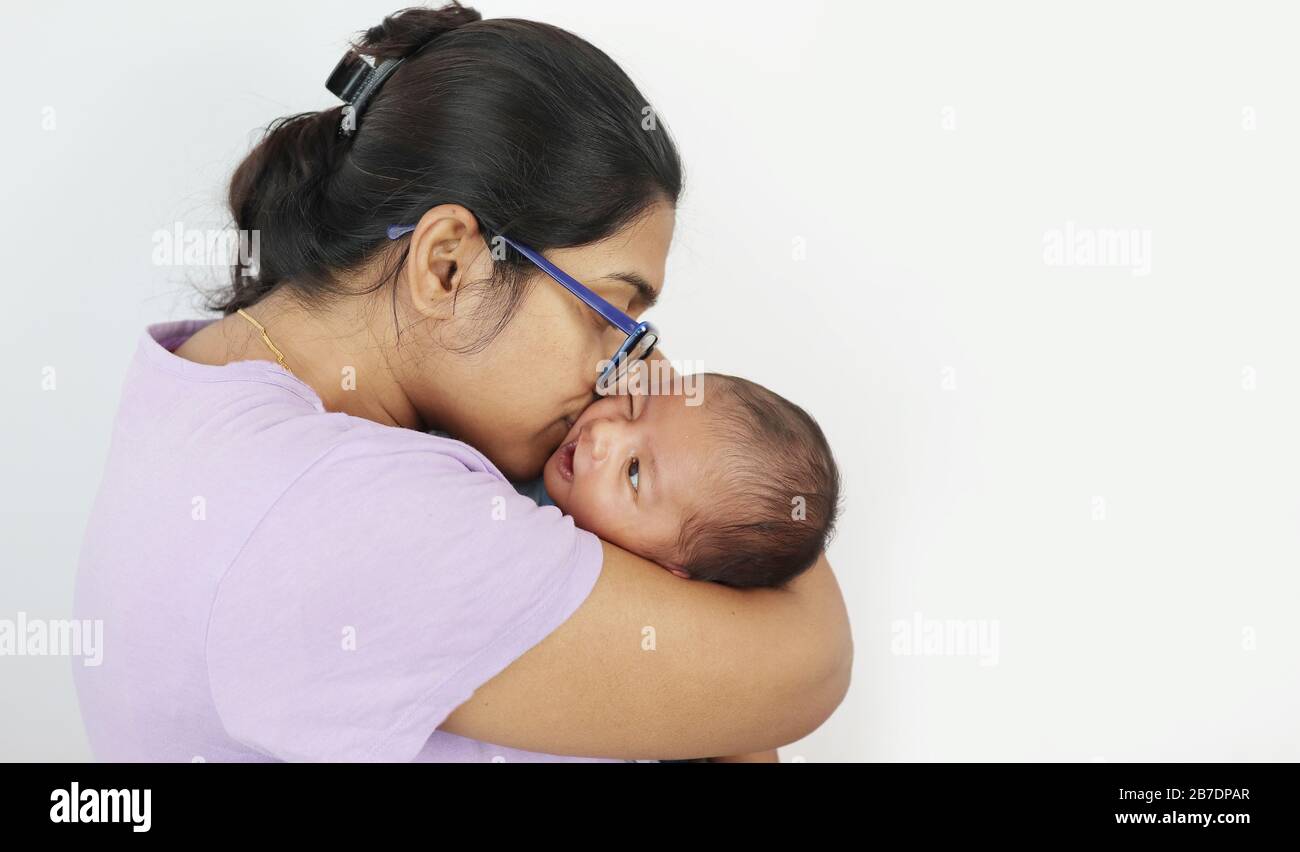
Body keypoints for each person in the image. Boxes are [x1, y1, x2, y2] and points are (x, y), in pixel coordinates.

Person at [72, 2, 852, 763]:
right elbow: (805, 669)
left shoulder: (209, 396)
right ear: (450, 264)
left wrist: (706, 457)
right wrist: (720, 451)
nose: (624, 373)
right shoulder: (349, 514)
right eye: (609, 314)